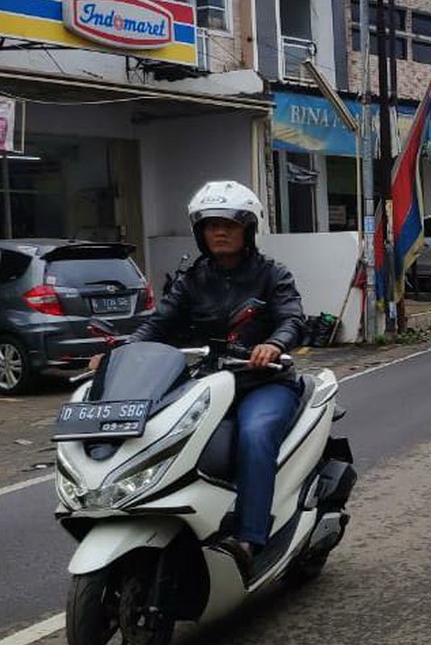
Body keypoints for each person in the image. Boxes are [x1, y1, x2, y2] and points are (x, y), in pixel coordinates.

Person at [129, 181, 306, 581]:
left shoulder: (272, 274)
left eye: (229, 224)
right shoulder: (192, 279)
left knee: (255, 435)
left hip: (264, 383)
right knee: (164, 434)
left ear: (248, 229)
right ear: (201, 233)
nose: (220, 232)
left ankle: (248, 538)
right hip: (207, 384)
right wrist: (120, 353)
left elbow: (292, 317)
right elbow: (157, 325)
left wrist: (273, 345)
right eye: (211, 226)